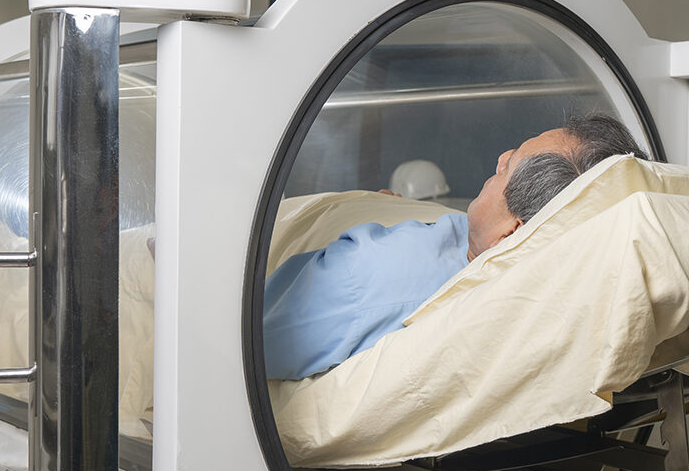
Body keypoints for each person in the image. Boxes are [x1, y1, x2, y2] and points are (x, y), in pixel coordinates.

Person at [263, 114, 648, 380]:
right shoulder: (481, 247)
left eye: (508, 166)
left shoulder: (372, 280)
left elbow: (247, 349)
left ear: (512, 234)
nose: (498, 159)